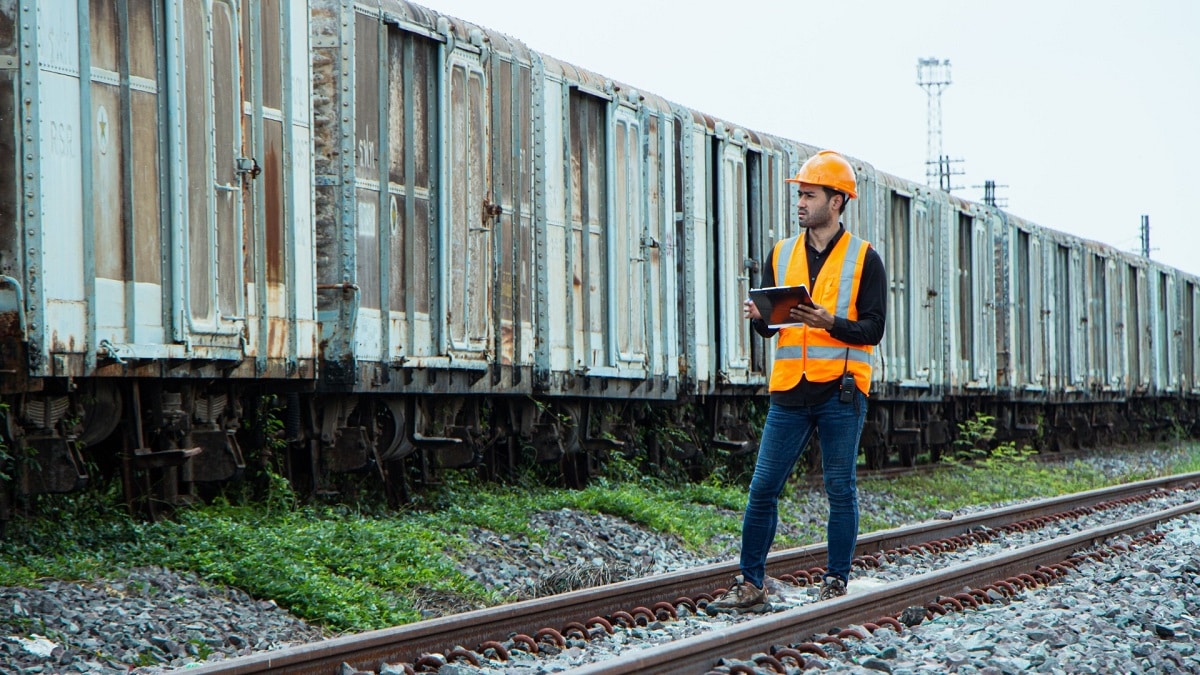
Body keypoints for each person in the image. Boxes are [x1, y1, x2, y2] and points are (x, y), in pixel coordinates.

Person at [706, 150, 887, 614]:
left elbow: (873, 330)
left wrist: (830, 322)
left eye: (809, 194)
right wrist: (759, 319)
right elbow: (773, 329)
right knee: (763, 487)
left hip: (841, 390)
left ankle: (836, 580)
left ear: (838, 201)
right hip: (789, 389)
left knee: (839, 487)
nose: (801, 203)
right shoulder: (781, 254)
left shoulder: (866, 259)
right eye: (800, 194)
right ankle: (750, 583)